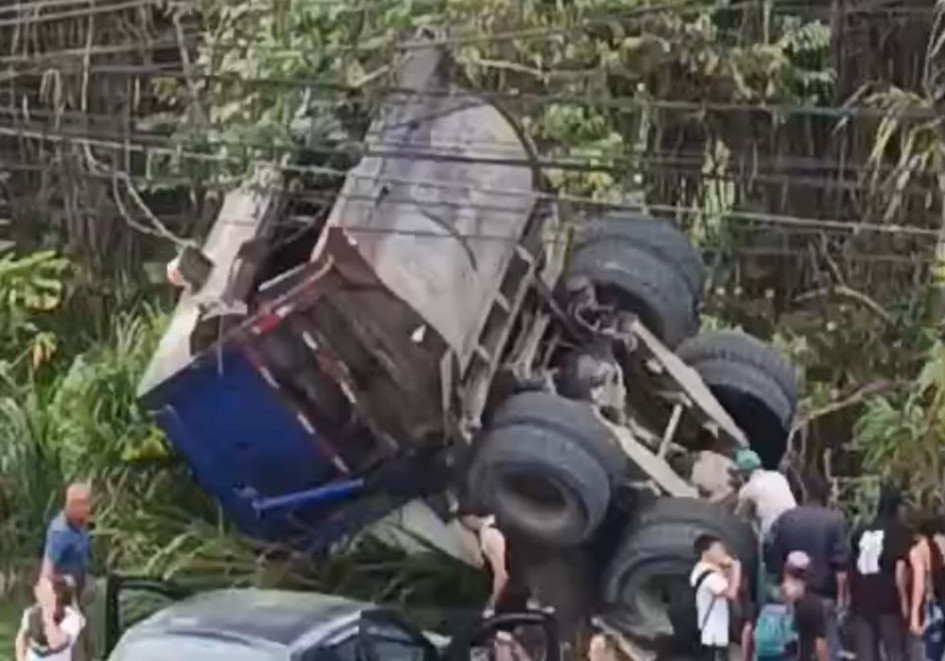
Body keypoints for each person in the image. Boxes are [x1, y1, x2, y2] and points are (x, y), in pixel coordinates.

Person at [766, 473, 848, 661]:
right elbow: (841, 566)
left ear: (803, 494)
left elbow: (773, 557)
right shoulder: (835, 520)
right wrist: (843, 598)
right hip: (824, 596)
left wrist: (783, 586)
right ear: (826, 496)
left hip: (792, 596)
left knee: (797, 648)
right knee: (826, 645)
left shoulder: (786, 519)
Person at [848, 484, 912, 661]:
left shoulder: (861, 530)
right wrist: (905, 603)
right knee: (894, 652)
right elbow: (900, 571)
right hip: (888, 601)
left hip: (861, 600)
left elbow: (851, 566)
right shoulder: (899, 532)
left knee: (866, 654)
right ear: (896, 507)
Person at [41, 483, 93, 661]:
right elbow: (47, 573)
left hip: (81, 590)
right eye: (82, 504)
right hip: (63, 598)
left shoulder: (80, 523)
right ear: (71, 505)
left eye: (88, 502)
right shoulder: (60, 532)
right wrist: (65, 581)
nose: (88, 508)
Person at [691, 534, 743, 661]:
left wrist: (727, 570)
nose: (722, 552)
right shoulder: (709, 576)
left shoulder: (702, 569)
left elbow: (726, 584)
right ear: (706, 552)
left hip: (713, 631)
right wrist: (737, 569)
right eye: (718, 549)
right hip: (713, 634)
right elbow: (731, 593)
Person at [15, 575, 85, 661]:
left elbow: (56, 643)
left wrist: (48, 616)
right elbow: (21, 639)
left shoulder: (72, 617)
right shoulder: (31, 613)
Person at [734, 449, 797, 538]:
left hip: (775, 532)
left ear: (743, 474)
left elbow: (740, 519)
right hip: (796, 523)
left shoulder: (747, 489)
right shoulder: (778, 476)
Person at [907, 514, 945, 661]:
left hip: (936, 607)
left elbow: (919, 583)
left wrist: (915, 614)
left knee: (933, 654)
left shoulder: (921, 549)